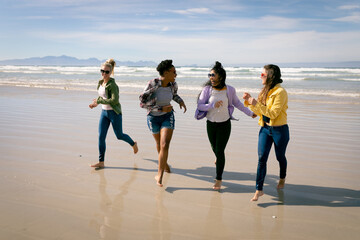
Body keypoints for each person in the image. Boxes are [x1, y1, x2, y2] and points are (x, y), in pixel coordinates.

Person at [196, 61, 256, 190]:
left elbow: (238, 104)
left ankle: (218, 179)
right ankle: (218, 158)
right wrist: (212, 105)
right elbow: (200, 105)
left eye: (213, 75)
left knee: (219, 150)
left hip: (225, 124)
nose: (210, 77)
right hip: (211, 124)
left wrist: (250, 113)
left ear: (220, 77)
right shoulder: (207, 90)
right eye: (209, 75)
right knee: (214, 148)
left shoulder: (230, 90)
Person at [243, 64, 289, 201]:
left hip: (279, 130)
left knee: (280, 157)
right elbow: (259, 112)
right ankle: (259, 189)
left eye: (263, 74)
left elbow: (273, 114)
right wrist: (249, 101)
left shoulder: (280, 92)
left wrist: (255, 103)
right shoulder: (264, 91)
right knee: (262, 158)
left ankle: (282, 178)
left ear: (270, 76)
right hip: (264, 129)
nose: (260, 77)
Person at [139, 59, 187, 187]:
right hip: (153, 118)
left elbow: (174, 95)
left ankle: (159, 174)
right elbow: (142, 103)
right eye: (174, 72)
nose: (175, 75)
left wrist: (180, 101)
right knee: (159, 144)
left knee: (164, 144)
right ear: (165, 73)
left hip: (168, 116)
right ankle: (164, 163)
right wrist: (160, 108)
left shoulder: (173, 84)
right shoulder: (152, 84)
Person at [89, 58, 138, 169]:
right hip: (104, 113)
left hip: (114, 113)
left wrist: (100, 101)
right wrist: (95, 103)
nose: (104, 74)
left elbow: (114, 100)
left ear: (111, 72)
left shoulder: (113, 85)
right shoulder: (100, 82)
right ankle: (101, 161)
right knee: (101, 137)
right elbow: (101, 97)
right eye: (102, 71)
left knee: (119, 135)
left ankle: (133, 144)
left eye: (106, 72)